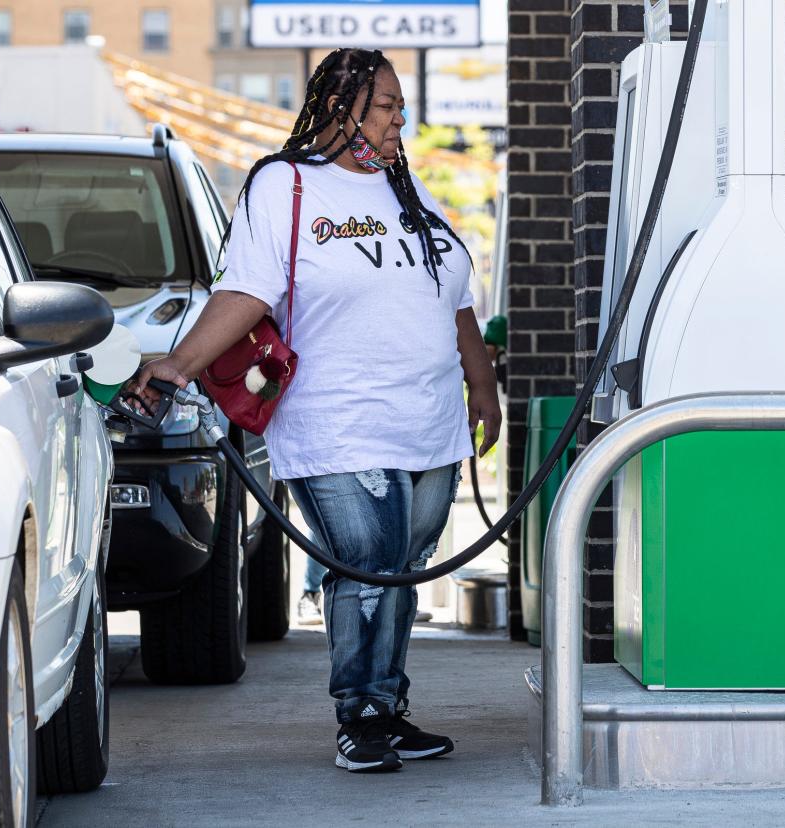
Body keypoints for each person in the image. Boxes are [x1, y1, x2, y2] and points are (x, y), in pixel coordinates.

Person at [133, 48, 501, 773]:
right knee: (365, 560)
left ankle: (387, 706)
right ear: (343, 111)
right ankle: (359, 714)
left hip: (427, 418)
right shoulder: (286, 185)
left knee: (403, 561)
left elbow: (449, 290)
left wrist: (481, 382)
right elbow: (248, 292)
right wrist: (179, 365)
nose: (402, 118)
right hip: (339, 417)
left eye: (400, 105)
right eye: (389, 105)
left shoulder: (402, 184)